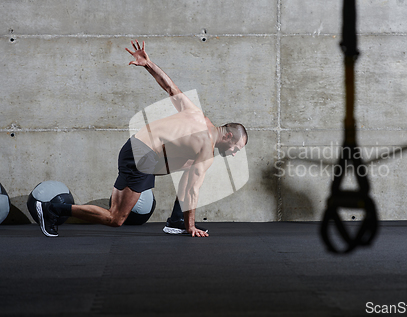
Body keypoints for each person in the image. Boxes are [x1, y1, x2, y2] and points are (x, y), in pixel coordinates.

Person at [36, 40, 248, 238]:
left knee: (191, 165)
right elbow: (192, 190)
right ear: (228, 136)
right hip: (142, 157)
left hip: (136, 148)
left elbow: (170, 88)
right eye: (237, 147)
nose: (235, 152)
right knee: (115, 219)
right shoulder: (206, 151)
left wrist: (148, 64)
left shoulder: (197, 115)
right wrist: (192, 226)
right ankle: (52, 209)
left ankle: (176, 221)